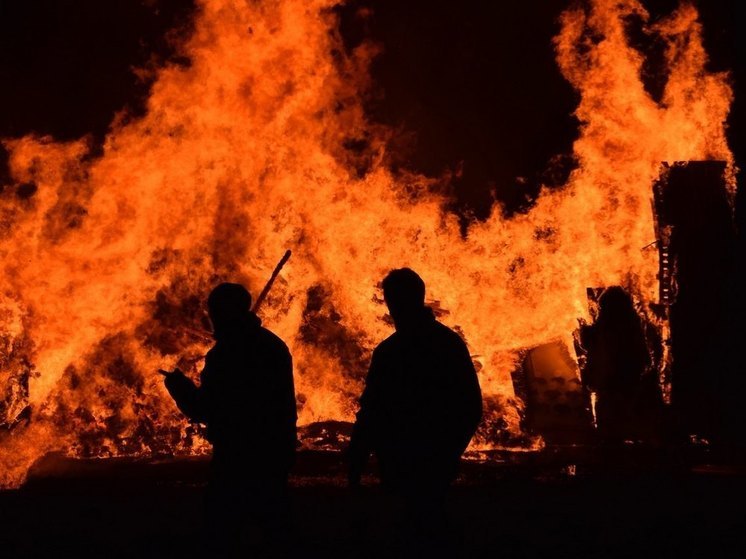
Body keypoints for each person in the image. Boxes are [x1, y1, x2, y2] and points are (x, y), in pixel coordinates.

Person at [348, 268, 482, 551]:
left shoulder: (392, 351)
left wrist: (359, 454)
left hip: (409, 456)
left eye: (392, 298)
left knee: (414, 526)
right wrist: (451, 450)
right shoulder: (448, 343)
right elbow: (470, 405)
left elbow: (373, 408)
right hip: (430, 455)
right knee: (427, 523)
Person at [161, 282, 296, 557]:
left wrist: (179, 387)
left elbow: (207, 409)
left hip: (237, 454)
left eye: (214, 310)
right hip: (275, 449)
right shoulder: (272, 345)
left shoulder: (227, 354)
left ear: (223, 312)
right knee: (274, 526)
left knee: (223, 529)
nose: (211, 316)